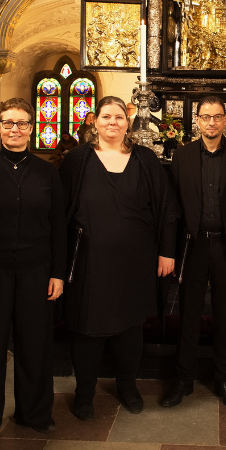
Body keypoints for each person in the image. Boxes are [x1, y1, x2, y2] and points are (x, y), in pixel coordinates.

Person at [59, 96, 178, 419]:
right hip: (89, 261)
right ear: (94, 121)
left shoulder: (146, 160)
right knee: (87, 330)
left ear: (128, 122)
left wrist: (167, 251)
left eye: (119, 117)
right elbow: (60, 214)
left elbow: (166, 208)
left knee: (130, 329)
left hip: (136, 261)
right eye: (106, 116)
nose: (113, 122)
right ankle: (84, 393)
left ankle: (128, 386)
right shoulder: (76, 160)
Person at [0, 98, 67, 449]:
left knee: (35, 345)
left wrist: (58, 272)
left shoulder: (47, 172)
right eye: (8, 123)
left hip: (37, 271)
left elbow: (58, 227)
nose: (15, 129)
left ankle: (34, 412)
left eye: (22, 123)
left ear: (33, 128)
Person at [160, 96, 226, 410]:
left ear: (225, 119)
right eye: (206, 117)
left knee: (225, 315)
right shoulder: (183, 155)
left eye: (217, 117)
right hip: (193, 245)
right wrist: (171, 252)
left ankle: (224, 379)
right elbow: (172, 208)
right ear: (197, 121)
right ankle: (183, 379)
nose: (212, 123)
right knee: (188, 313)